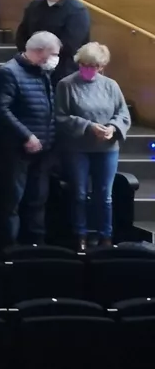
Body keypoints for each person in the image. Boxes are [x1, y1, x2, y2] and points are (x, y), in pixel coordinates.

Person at [56, 42, 131, 249]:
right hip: (77, 148)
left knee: (104, 195)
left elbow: (123, 114)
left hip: (106, 148)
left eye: (93, 66)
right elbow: (60, 117)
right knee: (79, 193)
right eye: (84, 65)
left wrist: (113, 128)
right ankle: (79, 234)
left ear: (101, 66)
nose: (88, 69)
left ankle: (105, 235)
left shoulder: (111, 85)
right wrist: (88, 127)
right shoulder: (66, 84)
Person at [0, 31, 61, 249]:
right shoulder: (8, 72)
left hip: (44, 149)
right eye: (54, 54)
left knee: (38, 200)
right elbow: (1, 110)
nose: (55, 59)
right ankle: (9, 248)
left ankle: (35, 247)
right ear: (39, 52)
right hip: (17, 149)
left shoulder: (42, 72)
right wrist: (27, 135)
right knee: (12, 201)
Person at [17, 0, 91, 84]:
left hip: (63, 74)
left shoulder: (77, 11)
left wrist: (45, 56)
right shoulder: (33, 6)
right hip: (32, 70)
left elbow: (71, 45)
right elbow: (22, 34)